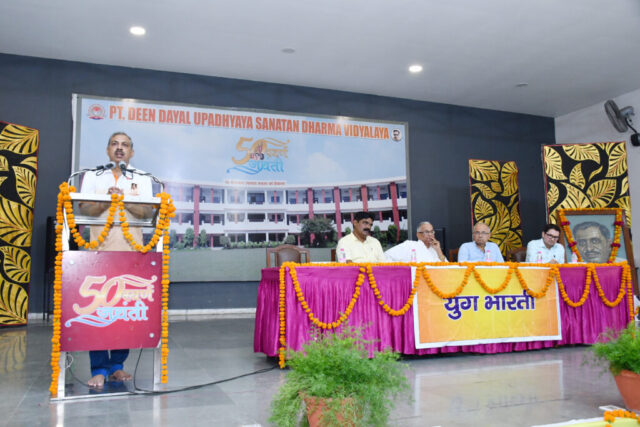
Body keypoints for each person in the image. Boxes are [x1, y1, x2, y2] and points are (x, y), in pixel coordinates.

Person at [79, 131, 153, 388]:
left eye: (125, 145)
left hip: (131, 253)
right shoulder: (93, 175)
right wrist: (105, 202)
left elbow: (147, 213)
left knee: (125, 313)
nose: (119, 148)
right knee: (98, 311)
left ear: (131, 152)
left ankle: (117, 366)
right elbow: (84, 209)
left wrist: (124, 200)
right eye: (115, 144)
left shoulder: (142, 177)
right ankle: (99, 368)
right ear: (107, 149)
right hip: (99, 253)